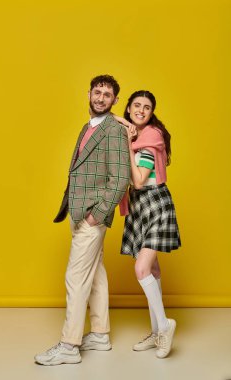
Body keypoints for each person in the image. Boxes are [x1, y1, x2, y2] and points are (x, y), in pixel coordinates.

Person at [34, 75, 130, 365]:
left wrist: (96, 214)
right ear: (88, 93)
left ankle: (69, 345)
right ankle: (99, 334)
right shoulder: (89, 126)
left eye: (107, 94)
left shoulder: (113, 131)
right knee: (95, 273)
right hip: (77, 210)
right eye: (97, 92)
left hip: (91, 214)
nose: (100, 98)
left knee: (76, 277)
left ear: (115, 100)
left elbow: (120, 178)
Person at [118, 90, 181, 359]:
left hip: (155, 203)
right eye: (136, 106)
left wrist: (129, 142)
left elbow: (139, 180)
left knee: (141, 268)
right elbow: (109, 117)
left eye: (147, 107)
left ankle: (165, 325)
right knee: (152, 269)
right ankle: (156, 332)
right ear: (129, 108)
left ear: (152, 111)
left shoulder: (149, 138)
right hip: (140, 206)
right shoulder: (136, 137)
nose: (141, 110)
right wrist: (126, 129)